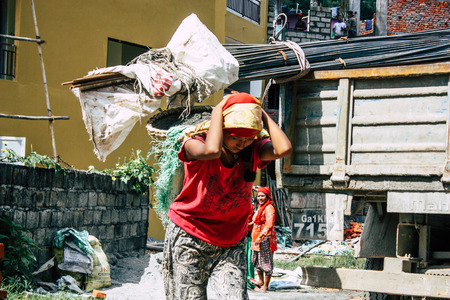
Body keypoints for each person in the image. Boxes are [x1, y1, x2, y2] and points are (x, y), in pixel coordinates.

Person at [162, 92, 292, 300]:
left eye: (249, 138)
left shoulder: (254, 151)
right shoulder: (194, 143)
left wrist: (262, 115)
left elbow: (284, 148)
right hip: (190, 236)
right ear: (221, 129)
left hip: (231, 240)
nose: (242, 144)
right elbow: (212, 150)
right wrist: (217, 110)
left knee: (233, 296)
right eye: (236, 137)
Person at [249, 186, 278, 292]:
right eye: (259, 196)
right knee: (256, 260)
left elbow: (269, 224)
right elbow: (256, 220)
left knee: (265, 261)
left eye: (262, 196)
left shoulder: (269, 208)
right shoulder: (260, 207)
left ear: (267, 197)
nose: (260, 198)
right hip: (256, 237)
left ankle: (265, 286)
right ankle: (260, 281)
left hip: (265, 238)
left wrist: (261, 236)